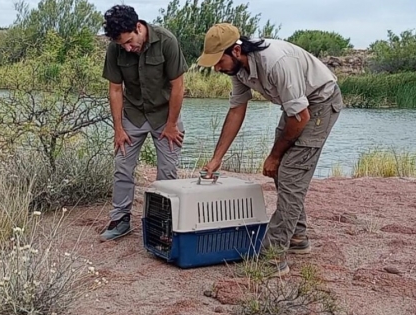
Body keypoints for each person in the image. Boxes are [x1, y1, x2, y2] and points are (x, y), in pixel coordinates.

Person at [198, 23, 343, 276]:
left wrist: (274, 156)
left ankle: (272, 258)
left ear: (235, 51)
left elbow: (300, 118)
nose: (216, 68)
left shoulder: (276, 63)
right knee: (282, 173)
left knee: (290, 174)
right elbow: (236, 110)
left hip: (320, 102)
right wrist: (216, 159)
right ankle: (297, 237)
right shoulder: (239, 69)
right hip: (298, 108)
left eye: (218, 61)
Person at [99, 5, 189, 241]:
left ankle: (164, 224)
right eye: (122, 45)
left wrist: (171, 125)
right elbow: (115, 89)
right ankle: (120, 219)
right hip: (133, 114)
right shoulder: (115, 49)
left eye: (129, 41)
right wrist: (118, 129)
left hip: (165, 115)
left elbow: (178, 87)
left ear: (138, 27)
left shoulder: (167, 40)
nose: (128, 48)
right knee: (122, 165)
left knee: (167, 172)